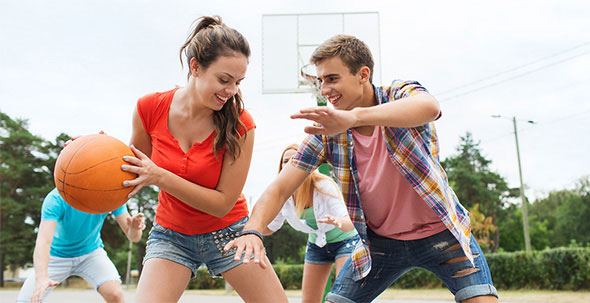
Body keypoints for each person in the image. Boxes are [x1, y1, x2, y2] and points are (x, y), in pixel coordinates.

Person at [225, 35, 499, 303]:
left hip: (441, 234)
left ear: (363, 74)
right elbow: (281, 187)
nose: (324, 90)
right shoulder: (326, 132)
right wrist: (253, 229)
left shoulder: (398, 94)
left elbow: (429, 107)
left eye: (332, 79)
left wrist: (354, 117)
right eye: (320, 81)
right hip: (380, 245)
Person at [120, 16, 287, 302]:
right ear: (195, 67)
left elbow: (222, 204)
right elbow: (131, 171)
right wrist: (91, 152)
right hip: (171, 235)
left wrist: (160, 176)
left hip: (230, 232)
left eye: (237, 82)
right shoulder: (148, 108)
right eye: (224, 80)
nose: (232, 90)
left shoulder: (241, 124)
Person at [266, 144, 360, 302]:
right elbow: (270, 227)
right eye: (285, 161)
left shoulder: (323, 185)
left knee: (341, 298)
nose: (289, 164)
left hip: (346, 241)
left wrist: (337, 221)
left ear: (305, 162)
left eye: (294, 160)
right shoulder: (282, 194)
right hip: (317, 245)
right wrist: (247, 229)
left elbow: (350, 222)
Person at [16, 188, 145, 303]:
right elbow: (43, 242)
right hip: (55, 256)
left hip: (91, 253)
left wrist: (134, 228)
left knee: (115, 295)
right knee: (26, 300)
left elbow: (134, 237)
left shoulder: (111, 195)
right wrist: (41, 277)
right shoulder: (56, 198)